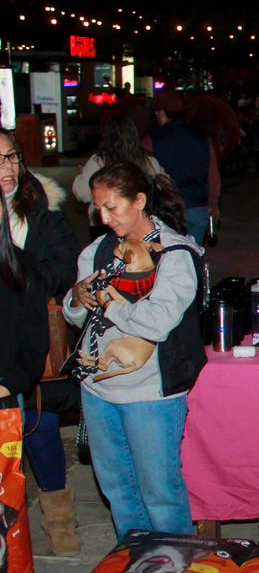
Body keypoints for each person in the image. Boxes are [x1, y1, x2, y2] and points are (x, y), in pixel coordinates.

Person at [63, 163, 205, 537]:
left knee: (160, 493)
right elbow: (76, 317)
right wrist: (77, 299)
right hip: (98, 388)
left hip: (150, 394)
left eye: (112, 207)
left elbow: (157, 321)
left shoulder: (174, 253)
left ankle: (173, 561)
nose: (104, 218)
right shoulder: (97, 251)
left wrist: (109, 303)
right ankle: (135, 559)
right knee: (118, 490)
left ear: (139, 201)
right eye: (98, 208)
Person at [1, 130, 81, 553]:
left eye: (12, 157)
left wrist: (15, 266)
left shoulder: (42, 210)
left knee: (39, 422)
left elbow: (65, 270)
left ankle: (60, 520)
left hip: (31, 341)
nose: (7, 168)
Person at [0, 190, 49, 470]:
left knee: (5, 488)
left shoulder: (21, 266)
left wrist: (8, 384)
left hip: (3, 394)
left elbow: (35, 336)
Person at [150, 90, 220, 244]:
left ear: (162, 113)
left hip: (167, 210)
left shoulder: (152, 140)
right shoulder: (202, 138)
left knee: (168, 254)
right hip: (198, 206)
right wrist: (213, 204)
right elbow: (213, 176)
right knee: (193, 253)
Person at [72, 115, 166, 210]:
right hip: (141, 213)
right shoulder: (149, 162)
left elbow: (81, 193)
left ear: (106, 136)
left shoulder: (98, 161)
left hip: (106, 216)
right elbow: (165, 188)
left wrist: (83, 175)